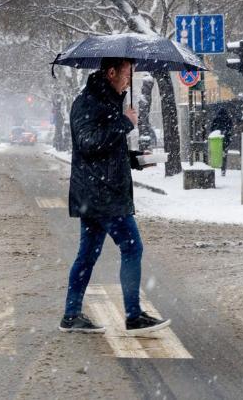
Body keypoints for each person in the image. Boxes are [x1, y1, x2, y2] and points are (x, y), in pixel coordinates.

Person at [59, 57, 171, 335]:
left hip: (98, 192)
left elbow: (106, 149)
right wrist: (125, 123)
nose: (130, 80)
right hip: (102, 193)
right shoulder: (87, 103)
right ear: (111, 73)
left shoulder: (107, 101)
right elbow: (89, 144)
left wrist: (136, 159)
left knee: (87, 255)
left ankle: (71, 315)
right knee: (132, 247)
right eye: (127, 74)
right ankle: (134, 316)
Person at [210, 108, 234, 176]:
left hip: (216, 140)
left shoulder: (216, 119)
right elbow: (230, 129)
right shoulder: (228, 119)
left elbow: (212, 129)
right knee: (224, 155)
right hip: (225, 140)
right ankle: (223, 169)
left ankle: (216, 165)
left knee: (216, 153)